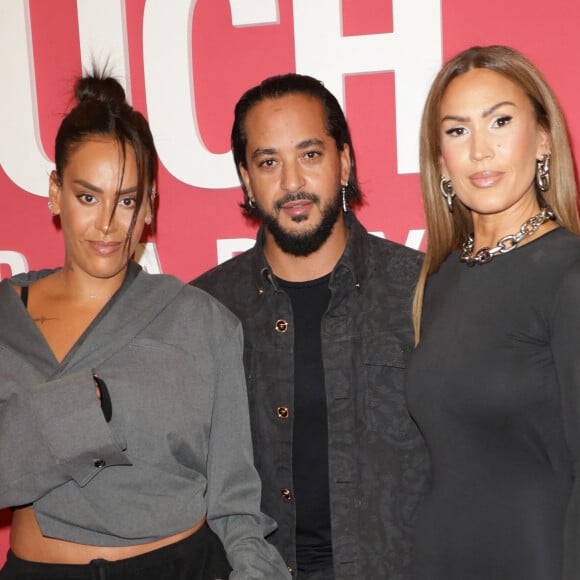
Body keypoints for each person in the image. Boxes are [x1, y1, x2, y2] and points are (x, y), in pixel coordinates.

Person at [0, 71, 290, 580]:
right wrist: (82, 405)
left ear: (150, 203)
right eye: (88, 196)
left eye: (127, 199)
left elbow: (235, 502)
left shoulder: (203, 321)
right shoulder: (5, 317)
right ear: (54, 193)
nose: (109, 223)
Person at [192, 73, 429, 579]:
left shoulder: (423, 291)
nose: (292, 182)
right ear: (246, 179)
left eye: (310, 154)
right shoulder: (204, 309)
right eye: (269, 162)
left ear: (344, 161)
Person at [406, 45, 580, 580]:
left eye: (500, 121)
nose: (481, 150)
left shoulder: (568, 275)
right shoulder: (437, 279)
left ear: (544, 137)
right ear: (440, 158)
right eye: (458, 131)